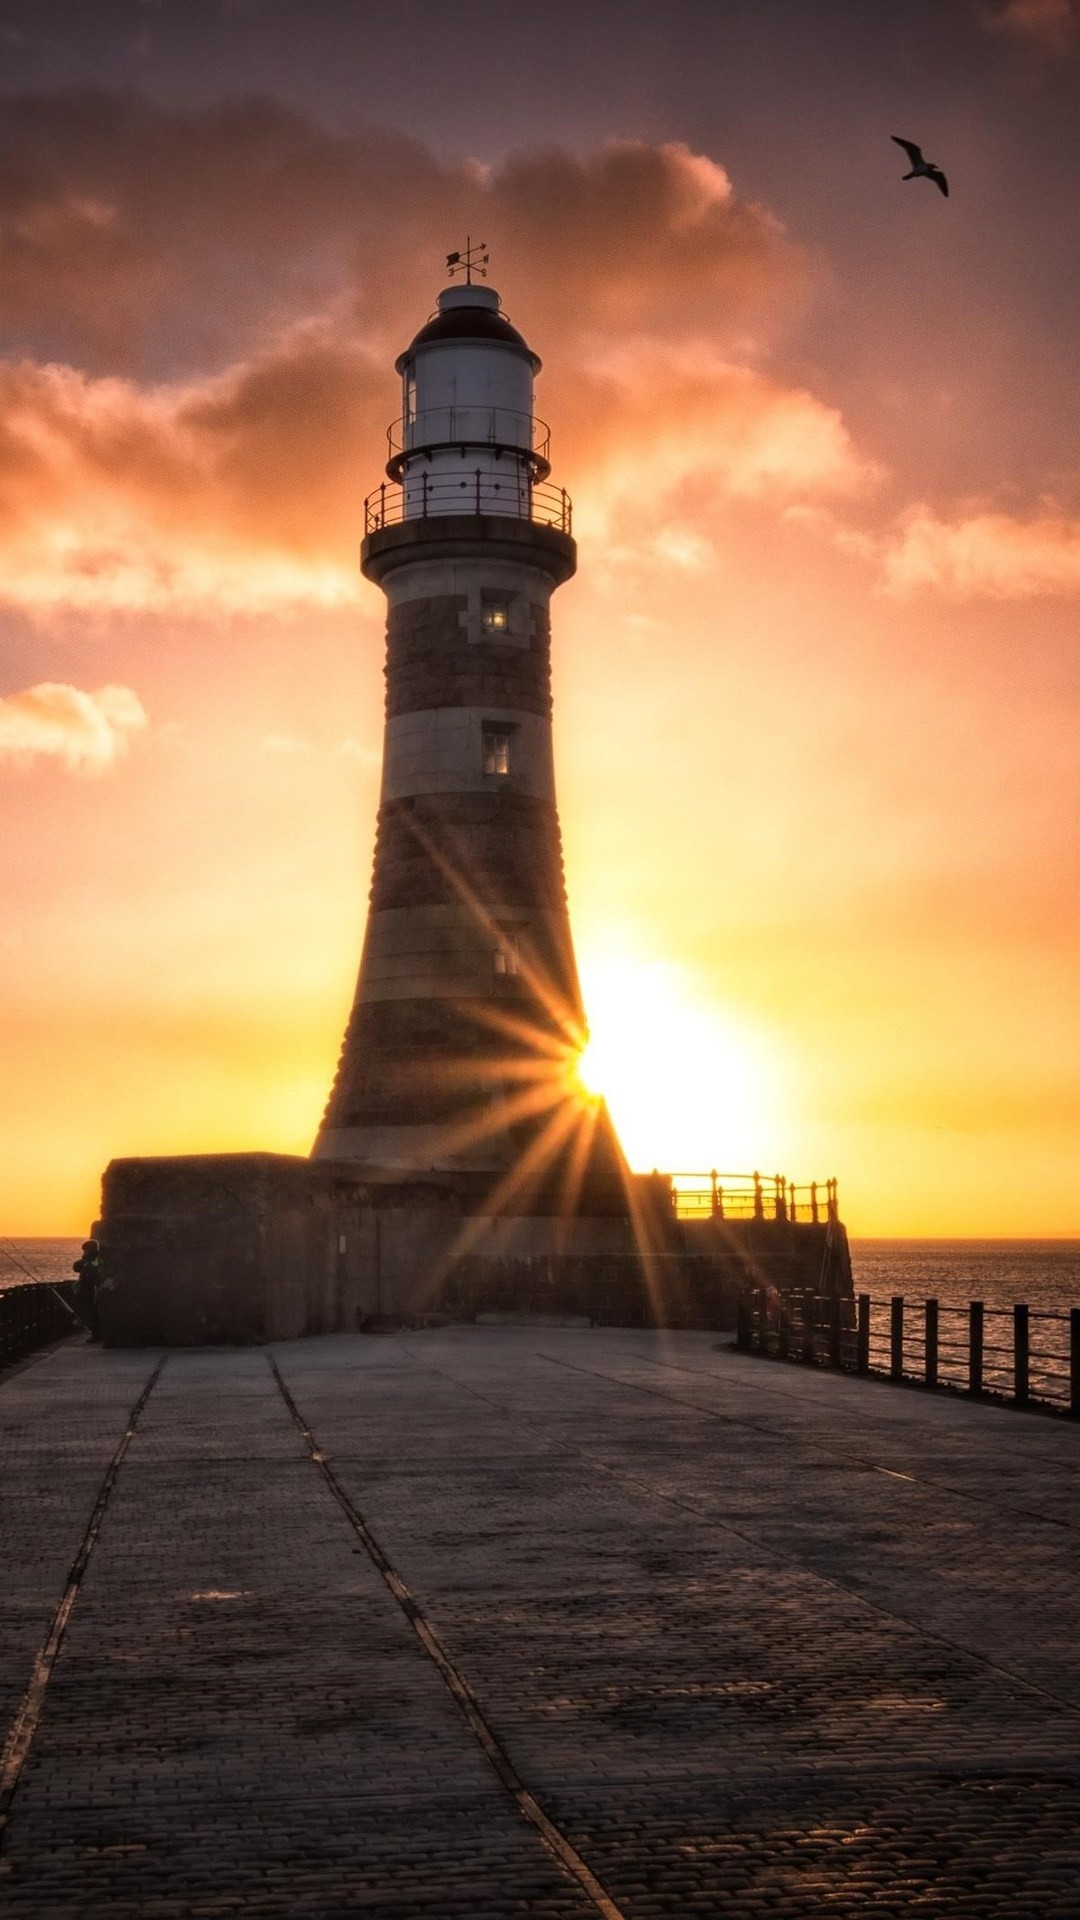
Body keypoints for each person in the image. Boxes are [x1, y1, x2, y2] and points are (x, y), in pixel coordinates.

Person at [72, 1239, 102, 1340]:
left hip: (91, 1289)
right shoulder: (87, 1260)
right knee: (87, 1311)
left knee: (90, 1311)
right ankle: (94, 1331)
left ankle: (95, 1333)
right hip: (87, 1289)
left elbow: (92, 1270)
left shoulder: (95, 1260)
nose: (84, 1252)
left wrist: (86, 1259)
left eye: (85, 1250)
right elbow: (76, 1267)